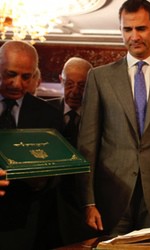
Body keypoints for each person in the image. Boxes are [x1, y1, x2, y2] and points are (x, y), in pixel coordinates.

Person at [77, 0, 150, 237]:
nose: (134, 36)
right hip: (110, 196)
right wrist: (88, 202)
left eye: (141, 29)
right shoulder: (99, 78)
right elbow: (87, 145)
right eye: (127, 29)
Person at [0, 40, 63, 249]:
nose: (18, 84)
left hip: (21, 226)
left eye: (26, 77)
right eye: (10, 74)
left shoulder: (49, 115)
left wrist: (42, 181)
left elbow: (58, 172)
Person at [52, 57, 95, 245]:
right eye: (69, 84)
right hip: (49, 204)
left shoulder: (100, 117)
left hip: (84, 205)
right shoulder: (44, 110)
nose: (75, 91)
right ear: (61, 80)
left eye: (82, 85)